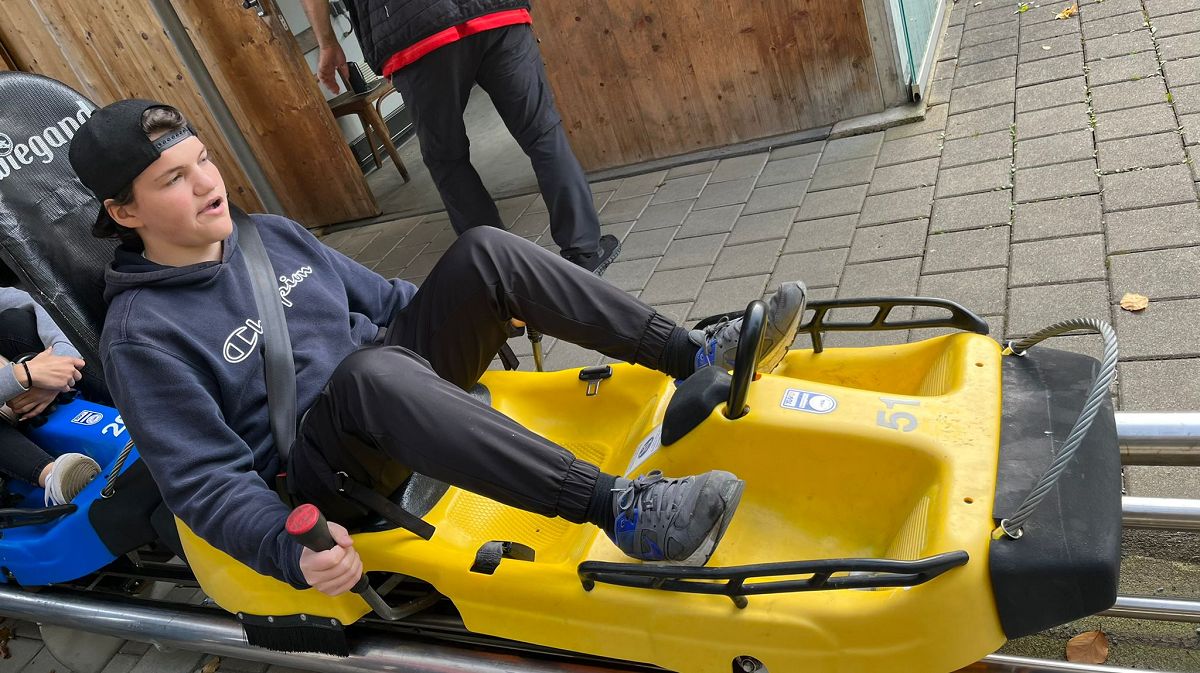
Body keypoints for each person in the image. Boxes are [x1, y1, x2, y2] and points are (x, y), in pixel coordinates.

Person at [68, 99, 807, 596]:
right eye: (174, 179)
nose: (208, 183)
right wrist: (288, 549)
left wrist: (487, 305)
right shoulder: (142, 338)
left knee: (484, 251)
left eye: (203, 159)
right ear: (124, 212)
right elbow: (205, 483)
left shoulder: (269, 236)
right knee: (372, 374)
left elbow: (392, 303)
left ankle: (694, 354)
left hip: (393, 388)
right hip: (325, 474)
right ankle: (624, 511)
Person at [300, 0, 623, 275]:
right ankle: (584, 253)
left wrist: (327, 43)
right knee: (543, 134)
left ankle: (503, 276)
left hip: (413, 31)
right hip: (494, 12)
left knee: (447, 160)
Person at [0, 288, 100, 505]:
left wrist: (58, 365)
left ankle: (128, 402)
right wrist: (24, 374)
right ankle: (57, 477)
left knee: (15, 321)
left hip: (30, 388)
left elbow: (35, 300)